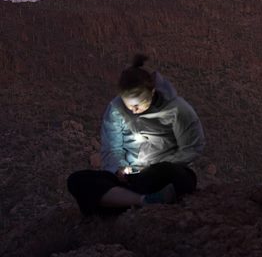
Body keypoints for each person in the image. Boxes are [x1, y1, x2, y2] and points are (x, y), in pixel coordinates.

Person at [67, 55, 206, 215]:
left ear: (152, 92)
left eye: (138, 105)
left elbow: (193, 146)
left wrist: (158, 165)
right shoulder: (116, 110)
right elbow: (112, 148)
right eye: (129, 105)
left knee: (181, 177)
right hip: (131, 178)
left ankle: (120, 201)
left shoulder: (176, 109)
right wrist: (118, 169)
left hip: (161, 173)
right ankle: (145, 201)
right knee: (78, 180)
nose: (133, 110)